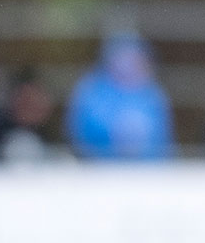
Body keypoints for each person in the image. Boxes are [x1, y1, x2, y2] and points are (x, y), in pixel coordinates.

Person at [65, 32, 174, 161]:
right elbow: (78, 132)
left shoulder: (153, 93)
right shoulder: (91, 90)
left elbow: (164, 140)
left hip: (147, 174)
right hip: (99, 171)